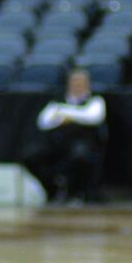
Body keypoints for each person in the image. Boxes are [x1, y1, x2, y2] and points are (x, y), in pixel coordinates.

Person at [28, 68, 108, 204]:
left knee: (79, 155)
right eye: (74, 82)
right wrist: (75, 114)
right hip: (58, 144)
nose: (77, 85)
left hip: (84, 143)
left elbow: (93, 117)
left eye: (81, 82)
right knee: (30, 156)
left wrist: (66, 114)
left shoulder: (95, 100)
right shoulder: (57, 100)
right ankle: (53, 190)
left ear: (88, 83)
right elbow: (44, 121)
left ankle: (76, 193)